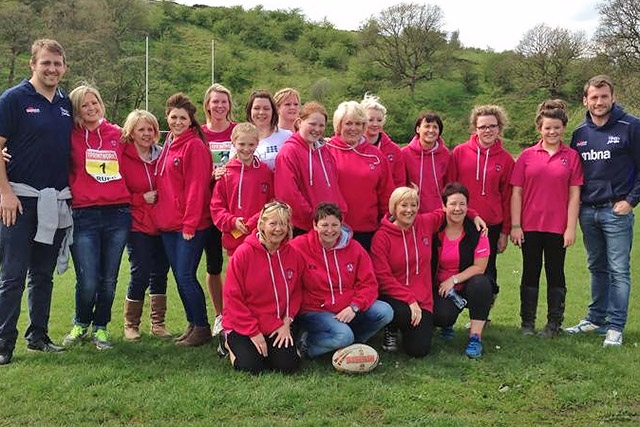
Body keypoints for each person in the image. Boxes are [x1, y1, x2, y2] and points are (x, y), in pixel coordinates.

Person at [0, 39, 73, 365]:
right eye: (46, 63)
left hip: (54, 201)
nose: (52, 69)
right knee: (13, 275)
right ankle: (4, 343)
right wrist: (5, 193)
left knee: (42, 275)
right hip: (18, 199)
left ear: (64, 67)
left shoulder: (64, 103)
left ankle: (38, 336)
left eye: (57, 64)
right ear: (33, 64)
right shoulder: (13, 99)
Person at [565, 75, 640, 347]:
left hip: (616, 210)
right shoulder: (579, 134)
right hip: (588, 211)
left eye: (603, 96)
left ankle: (616, 326)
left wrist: (631, 200)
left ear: (613, 97)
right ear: (585, 100)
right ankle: (595, 319)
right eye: (593, 97)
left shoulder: (631, 126)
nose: (599, 102)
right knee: (596, 267)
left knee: (619, 270)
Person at [372, 186, 487, 356]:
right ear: (394, 207)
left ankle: (408, 329)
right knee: (396, 311)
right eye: (404, 205)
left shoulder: (425, 223)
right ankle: (392, 328)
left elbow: (452, 209)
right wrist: (409, 300)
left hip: (422, 300)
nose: (409, 210)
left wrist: (473, 214)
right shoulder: (382, 237)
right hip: (395, 298)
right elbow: (382, 277)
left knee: (418, 351)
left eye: (414, 205)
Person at [62, 84, 131, 351]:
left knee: (109, 279)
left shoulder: (118, 135)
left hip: (118, 214)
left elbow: (144, 156)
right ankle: (80, 323)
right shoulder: (69, 136)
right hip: (84, 215)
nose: (92, 108)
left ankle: (100, 328)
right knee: (88, 278)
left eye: (95, 103)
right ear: (77, 110)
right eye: (85, 105)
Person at [510, 100, 583, 338]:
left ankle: (553, 324)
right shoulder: (527, 156)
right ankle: (527, 323)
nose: (552, 132)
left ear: (564, 128)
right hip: (529, 226)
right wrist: (516, 225)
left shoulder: (571, 157)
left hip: (557, 228)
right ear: (539, 128)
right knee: (530, 272)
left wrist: (570, 228)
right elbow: (516, 193)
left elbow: (574, 195)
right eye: (547, 128)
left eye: (557, 128)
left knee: (555, 272)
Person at [291, 202, 393, 358]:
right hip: (316, 310)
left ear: (341, 224)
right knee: (343, 335)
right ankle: (306, 345)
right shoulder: (298, 247)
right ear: (315, 225)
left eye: (335, 225)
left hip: (347, 308)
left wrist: (355, 306)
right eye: (324, 225)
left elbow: (369, 284)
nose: (330, 230)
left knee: (384, 312)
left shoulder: (355, 248)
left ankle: (351, 344)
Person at [154, 93, 213, 347]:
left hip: (189, 225)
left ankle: (201, 326)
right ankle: (192, 323)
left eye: (183, 118)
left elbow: (196, 188)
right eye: (173, 117)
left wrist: (189, 223)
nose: (177, 121)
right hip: (169, 224)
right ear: (167, 117)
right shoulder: (169, 141)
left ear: (191, 121)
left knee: (186, 275)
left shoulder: (194, 146)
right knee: (180, 275)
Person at [221, 201, 304, 374]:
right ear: (262, 224)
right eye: (273, 223)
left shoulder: (293, 255)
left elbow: (296, 292)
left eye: (283, 223)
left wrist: (286, 322)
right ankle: (227, 341)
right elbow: (232, 298)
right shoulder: (243, 253)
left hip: (276, 323)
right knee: (251, 367)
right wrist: (252, 332)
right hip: (244, 323)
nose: (278, 229)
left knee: (288, 366)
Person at [449, 105, 514, 301]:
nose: (487, 130)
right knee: (458, 266)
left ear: (499, 128)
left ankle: (483, 315)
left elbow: (507, 197)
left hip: (491, 226)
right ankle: (450, 315)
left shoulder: (506, 159)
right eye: (482, 126)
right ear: (475, 129)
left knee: (487, 269)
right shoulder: (460, 153)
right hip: (462, 222)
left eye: (492, 126)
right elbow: (450, 190)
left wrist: (505, 232)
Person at [120, 110, 171, 341]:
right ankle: (131, 324)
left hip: (162, 222)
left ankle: (158, 323)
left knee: (160, 272)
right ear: (131, 132)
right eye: (141, 129)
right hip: (138, 223)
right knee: (140, 272)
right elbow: (116, 191)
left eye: (151, 129)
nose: (147, 133)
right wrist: (141, 198)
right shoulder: (123, 156)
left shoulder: (162, 154)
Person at [432, 182, 493, 359]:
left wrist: (454, 279)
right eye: (452, 204)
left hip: (467, 283)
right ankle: (446, 324)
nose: (457, 209)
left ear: (468, 206)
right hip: (441, 288)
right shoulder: (434, 228)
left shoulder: (477, 230)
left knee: (481, 284)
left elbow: (480, 267)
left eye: (462, 204)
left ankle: (475, 337)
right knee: (441, 316)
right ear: (443, 206)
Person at [326, 101, 394, 251]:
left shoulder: (376, 155)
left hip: (368, 230)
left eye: (358, 123)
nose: (353, 128)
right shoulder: (326, 150)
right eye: (348, 123)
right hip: (331, 230)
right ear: (338, 125)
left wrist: (385, 224)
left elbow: (386, 193)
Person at [274, 101, 347, 235]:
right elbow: (288, 194)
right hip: (304, 227)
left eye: (321, 125)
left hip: (327, 226)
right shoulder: (289, 152)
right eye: (312, 124)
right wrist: (313, 219)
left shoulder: (324, 151)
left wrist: (340, 212)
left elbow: (334, 187)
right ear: (299, 122)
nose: (317, 129)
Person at [201, 83, 237, 337]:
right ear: (207, 105)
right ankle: (220, 315)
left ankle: (240, 312)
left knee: (240, 262)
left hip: (237, 209)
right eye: (215, 101)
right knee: (214, 265)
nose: (220, 106)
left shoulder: (239, 131)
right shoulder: (199, 134)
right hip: (208, 209)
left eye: (224, 101)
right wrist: (209, 174)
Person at [210, 122, 274, 256]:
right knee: (237, 276)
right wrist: (232, 221)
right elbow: (216, 207)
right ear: (233, 143)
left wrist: (254, 221)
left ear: (257, 143)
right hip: (235, 240)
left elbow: (272, 203)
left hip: (262, 238)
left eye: (251, 144)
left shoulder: (265, 172)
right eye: (242, 144)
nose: (246, 149)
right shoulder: (225, 174)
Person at [402, 111, 451, 213]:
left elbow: (449, 183)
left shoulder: (446, 154)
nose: (431, 130)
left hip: (439, 211)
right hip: (412, 211)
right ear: (418, 129)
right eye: (427, 126)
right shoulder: (404, 153)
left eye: (435, 127)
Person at [361, 93, 406, 187]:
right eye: (370, 120)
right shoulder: (353, 147)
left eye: (379, 120)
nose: (375, 124)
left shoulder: (394, 150)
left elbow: (399, 183)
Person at [242, 89, 291, 171]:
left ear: (273, 111)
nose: (261, 112)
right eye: (256, 108)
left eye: (266, 108)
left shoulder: (287, 136)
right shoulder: (240, 138)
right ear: (250, 111)